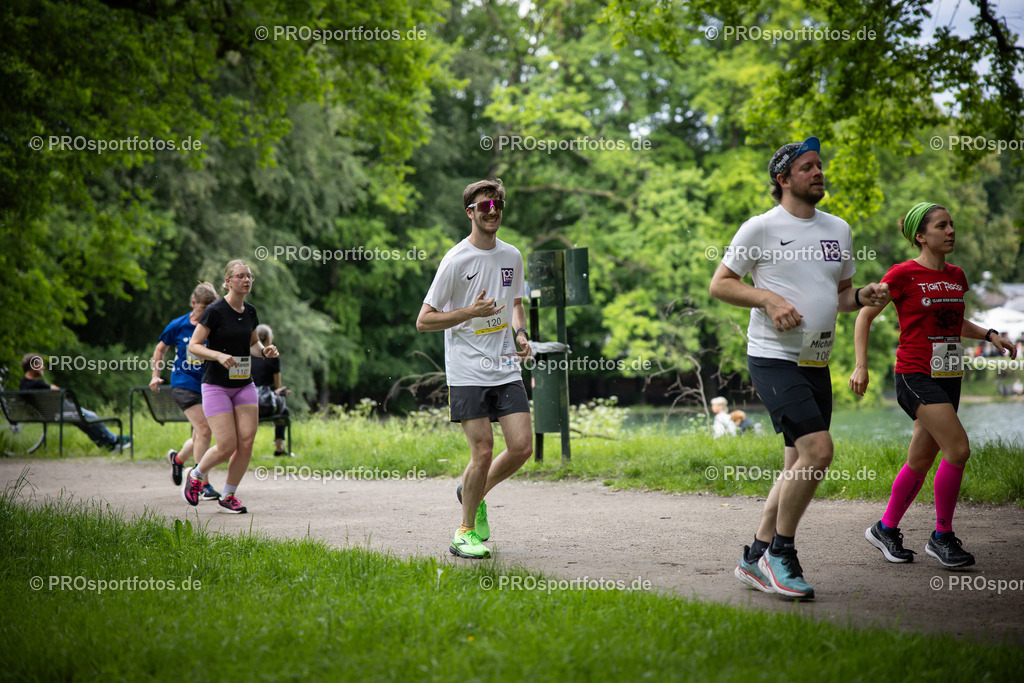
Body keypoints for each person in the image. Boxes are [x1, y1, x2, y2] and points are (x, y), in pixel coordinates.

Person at [709, 136, 889, 600]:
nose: (818, 172)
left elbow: (841, 295)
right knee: (818, 452)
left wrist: (862, 298)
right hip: (773, 356)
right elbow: (721, 284)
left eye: (820, 166)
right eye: (808, 167)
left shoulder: (839, 229)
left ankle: (754, 556)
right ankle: (780, 556)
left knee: (797, 463)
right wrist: (768, 299)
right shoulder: (760, 228)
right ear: (783, 178)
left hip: (815, 359)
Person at [850, 202, 1018, 567]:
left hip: (949, 375)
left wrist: (990, 334)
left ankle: (885, 528)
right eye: (942, 226)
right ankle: (941, 536)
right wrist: (861, 366)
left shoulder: (956, 276)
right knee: (957, 449)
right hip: (914, 375)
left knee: (922, 457)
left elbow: (952, 321)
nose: (951, 230)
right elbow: (863, 317)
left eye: (952, 224)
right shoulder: (902, 274)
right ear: (921, 236)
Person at [416, 178, 533, 559]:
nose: (493, 210)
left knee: (521, 448)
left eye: (498, 203)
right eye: (485, 206)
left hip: (504, 364)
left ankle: (472, 490)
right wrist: (471, 312)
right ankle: (464, 532)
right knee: (483, 449)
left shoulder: (512, 255)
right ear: (470, 212)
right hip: (466, 367)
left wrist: (520, 333)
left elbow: (516, 302)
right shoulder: (456, 260)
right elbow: (424, 321)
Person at [181, 259, 278, 514]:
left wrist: (264, 351)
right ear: (228, 281)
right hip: (216, 386)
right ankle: (196, 474)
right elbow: (194, 345)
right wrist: (218, 355)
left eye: (249, 276)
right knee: (227, 445)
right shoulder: (214, 310)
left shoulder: (251, 312)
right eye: (240, 276)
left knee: (246, 442)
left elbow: (252, 345)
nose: (246, 280)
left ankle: (228, 495)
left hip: (244, 384)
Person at [150, 282, 221, 501]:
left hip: (208, 384)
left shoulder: (215, 326)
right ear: (193, 303)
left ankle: (178, 460)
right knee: (205, 429)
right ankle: (202, 483)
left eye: (209, 311)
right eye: (202, 310)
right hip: (184, 383)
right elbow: (161, 349)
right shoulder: (178, 325)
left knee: (199, 434)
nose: (205, 315)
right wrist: (155, 375)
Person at [18, 353, 131, 452]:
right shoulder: (38, 385)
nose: (43, 367)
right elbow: (59, 391)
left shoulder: (23, 386)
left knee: (84, 421)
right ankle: (114, 440)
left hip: (47, 414)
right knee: (90, 416)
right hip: (59, 413)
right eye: (40, 364)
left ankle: (108, 444)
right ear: (33, 366)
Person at [251, 323, 292, 456]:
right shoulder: (273, 356)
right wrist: (276, 392)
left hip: (248, 403)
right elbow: (277, 384)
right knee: (284, 411)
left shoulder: (247, 355)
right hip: (266, 406)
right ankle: (279, 448)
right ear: (269, 338)